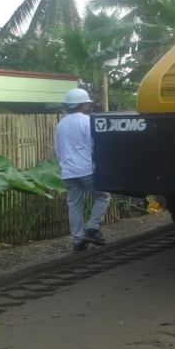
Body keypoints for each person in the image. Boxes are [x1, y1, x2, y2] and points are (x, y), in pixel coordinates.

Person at [54, 88, 111, 253]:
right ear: (83, 105)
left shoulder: (61, 124)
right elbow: (95, 146)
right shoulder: (87, 121)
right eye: (86, 103)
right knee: (103, 196)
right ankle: (92, 229)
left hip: (68, 172)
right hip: (86, 170)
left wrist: (65, 166)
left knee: (74, 206)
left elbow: (59, 150)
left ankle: (78, 241)